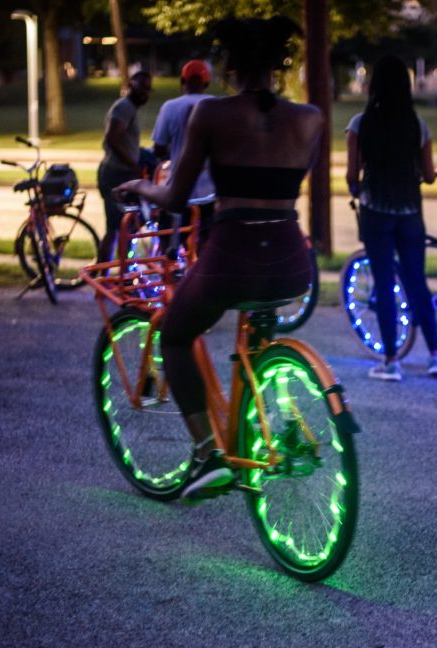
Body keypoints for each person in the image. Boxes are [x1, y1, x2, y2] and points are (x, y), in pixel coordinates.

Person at [114, 17, 317, 499]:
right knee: (260, 337)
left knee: (176, 334)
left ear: (229, 65)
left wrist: (140, 184)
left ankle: (208, 452)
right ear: (280, 63)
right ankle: (283, 423)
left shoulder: (209, 113)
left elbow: (176, 195)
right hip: (291, 259)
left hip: (233, 255)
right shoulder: (310, 118)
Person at [345, 54, 437, 382]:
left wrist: (359, 187)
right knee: (416, 281)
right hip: (410, 213)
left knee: (385, 282)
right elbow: (430, 175)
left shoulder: (360, 125)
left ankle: (391, 360)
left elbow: (352, 174)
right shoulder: (417, 125)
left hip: (375, 212)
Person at [151, 59, 216, 235]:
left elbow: (159, 147)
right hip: (211, 190)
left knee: (168, 239)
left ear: (182, 82)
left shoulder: (170, 107)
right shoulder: (216, 105)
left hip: (180, 190)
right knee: (206, 240)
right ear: (206, 83)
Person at [97, 70, 152, 262]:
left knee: (125, 229)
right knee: (114, 229)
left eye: (148, 89)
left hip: (123, 175)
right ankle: (104, 280)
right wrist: (133, 164)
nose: (146, 92)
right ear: (130, 85)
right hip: (115, 175)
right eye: (142, 87)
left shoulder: (129, 108)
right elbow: (112, 138)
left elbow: (124, 140)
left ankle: (123, 278)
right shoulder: (124, 107)